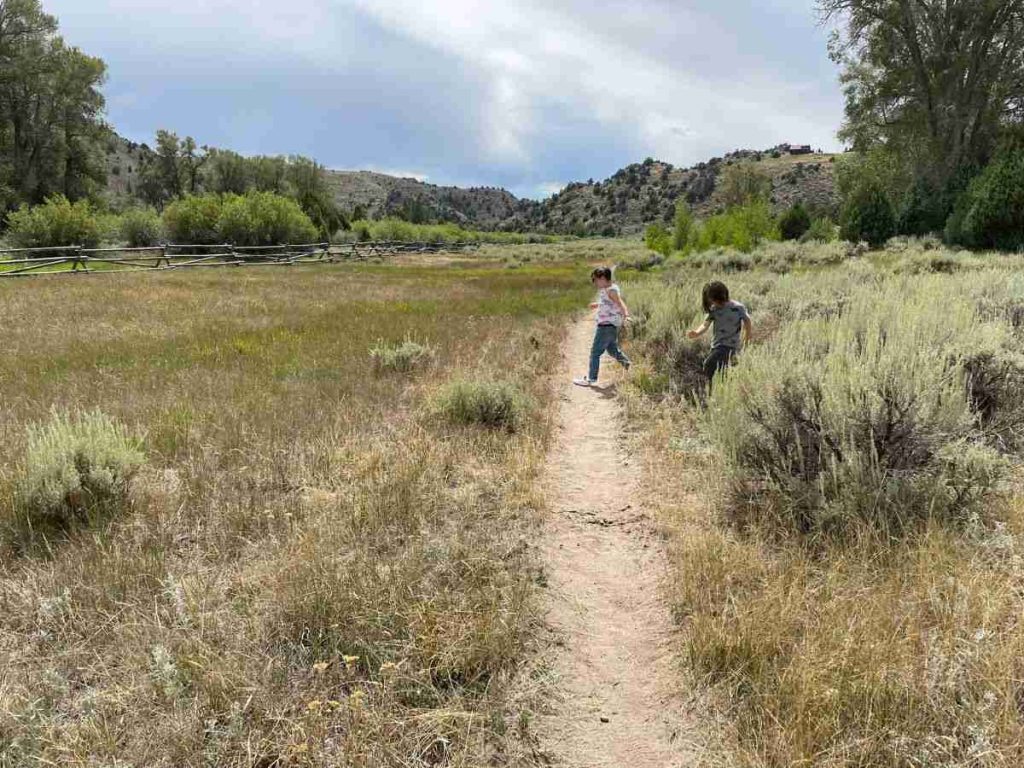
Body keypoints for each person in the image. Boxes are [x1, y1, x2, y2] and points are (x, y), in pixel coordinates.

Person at [686, 281, 752, 392]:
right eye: (712, 301)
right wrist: (696, 333)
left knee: (709, 365)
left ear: (722, 295)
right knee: (722, 370)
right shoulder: (714, 310)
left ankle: (713, 392)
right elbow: (705, 324)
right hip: (716, 346)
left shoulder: (737, 308)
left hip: (730, 346)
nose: (714, 303)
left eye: (714, 300)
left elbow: (747, 321)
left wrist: (747, 339)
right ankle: (722, 392)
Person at [574, 267, 631, 387]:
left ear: (603, 278)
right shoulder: (607, 289)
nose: (594, 283)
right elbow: (608, 303)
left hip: (605, 326)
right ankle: (628, 365)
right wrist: (598, 304)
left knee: (595, 352)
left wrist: (626, 315)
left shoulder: (611, 291)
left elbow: (620, 303)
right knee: (612, 350)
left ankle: (591, 378)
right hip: (609, 327)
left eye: (595, 280)